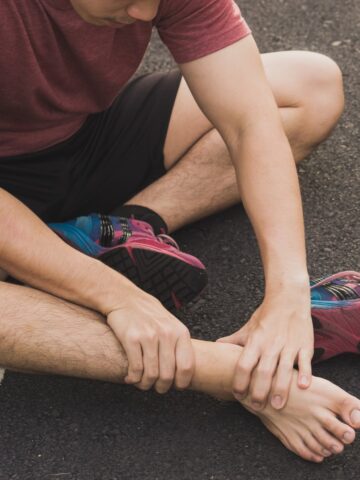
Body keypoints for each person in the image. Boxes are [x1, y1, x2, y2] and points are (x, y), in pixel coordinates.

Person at [0, 0, 357, 462]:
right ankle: (236, 373)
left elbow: (250, 122)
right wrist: (116, 295)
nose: (146, 13)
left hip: (82, 138)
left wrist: (287, 290)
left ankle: (128, 225)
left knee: (312, 85)